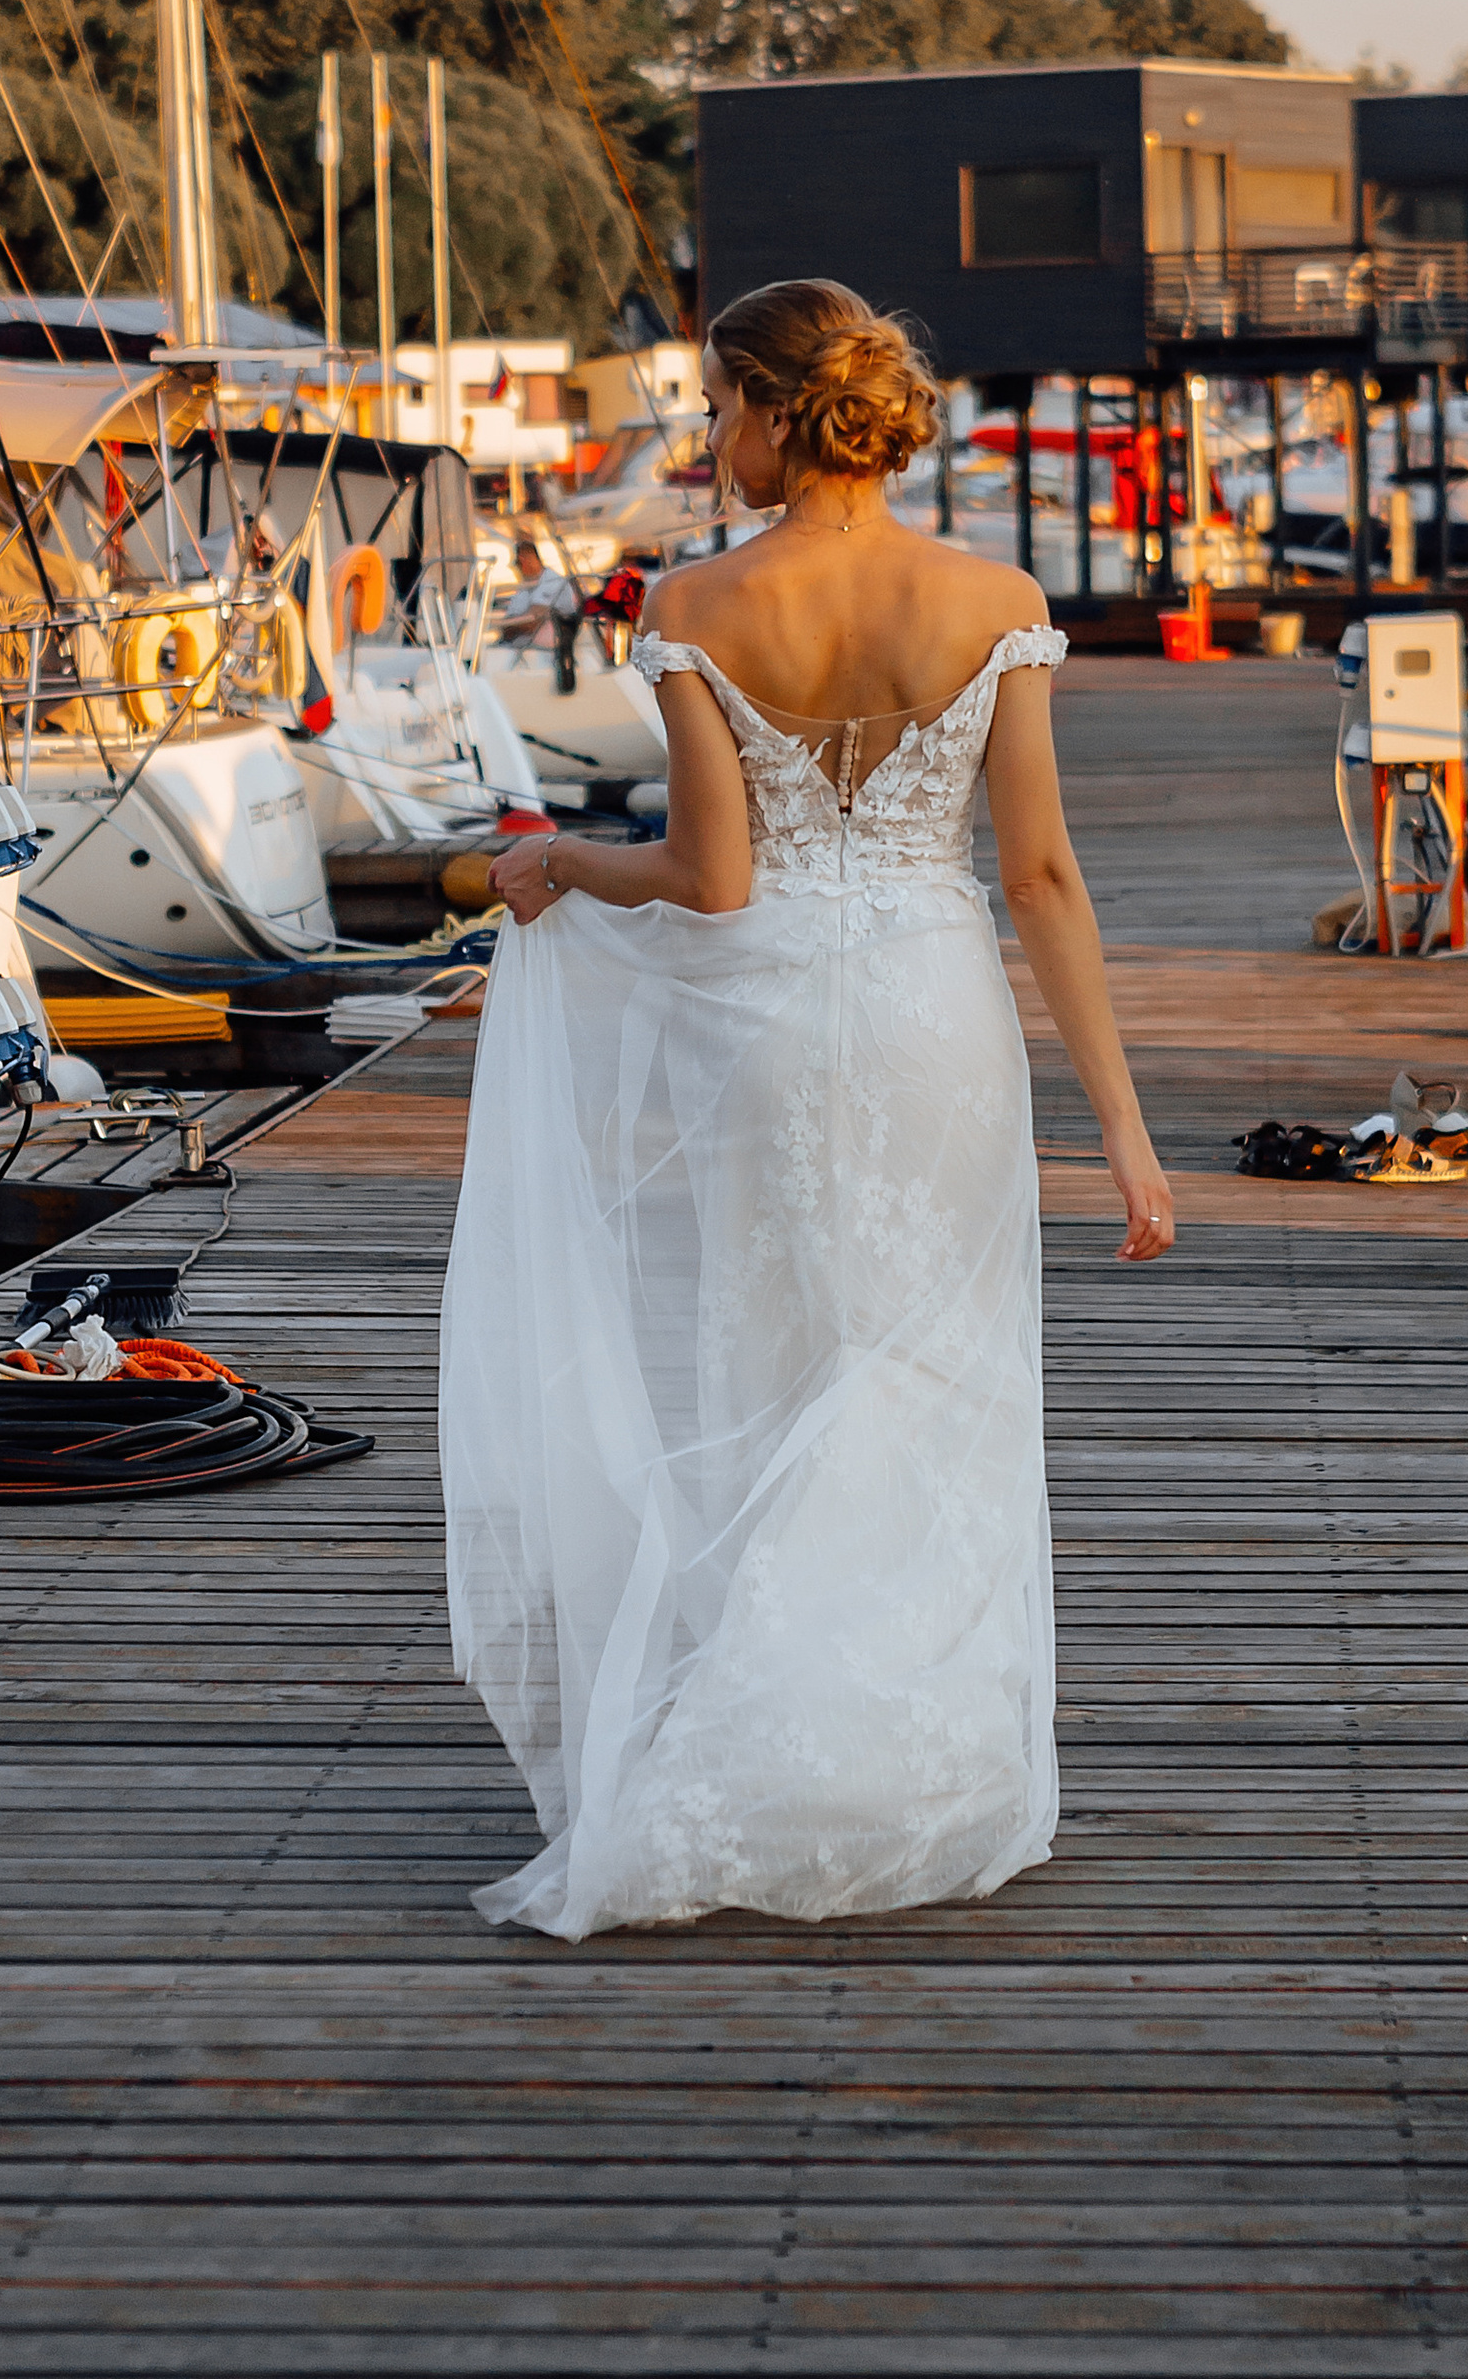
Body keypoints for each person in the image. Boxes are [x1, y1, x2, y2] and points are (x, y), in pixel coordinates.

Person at [437, 275, 1171, 1939]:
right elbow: (1043, 877)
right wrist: (1122, 1129)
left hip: (767, 1038)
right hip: (938, 1016)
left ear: (779, 412)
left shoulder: (697, 601)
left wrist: (557, 860)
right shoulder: (996, 597)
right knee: (932, 1371)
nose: (709, 441)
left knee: (784, 1367)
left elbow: (708, 879)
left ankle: (774, 1737)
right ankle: (911, 1756)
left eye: (717, 408)